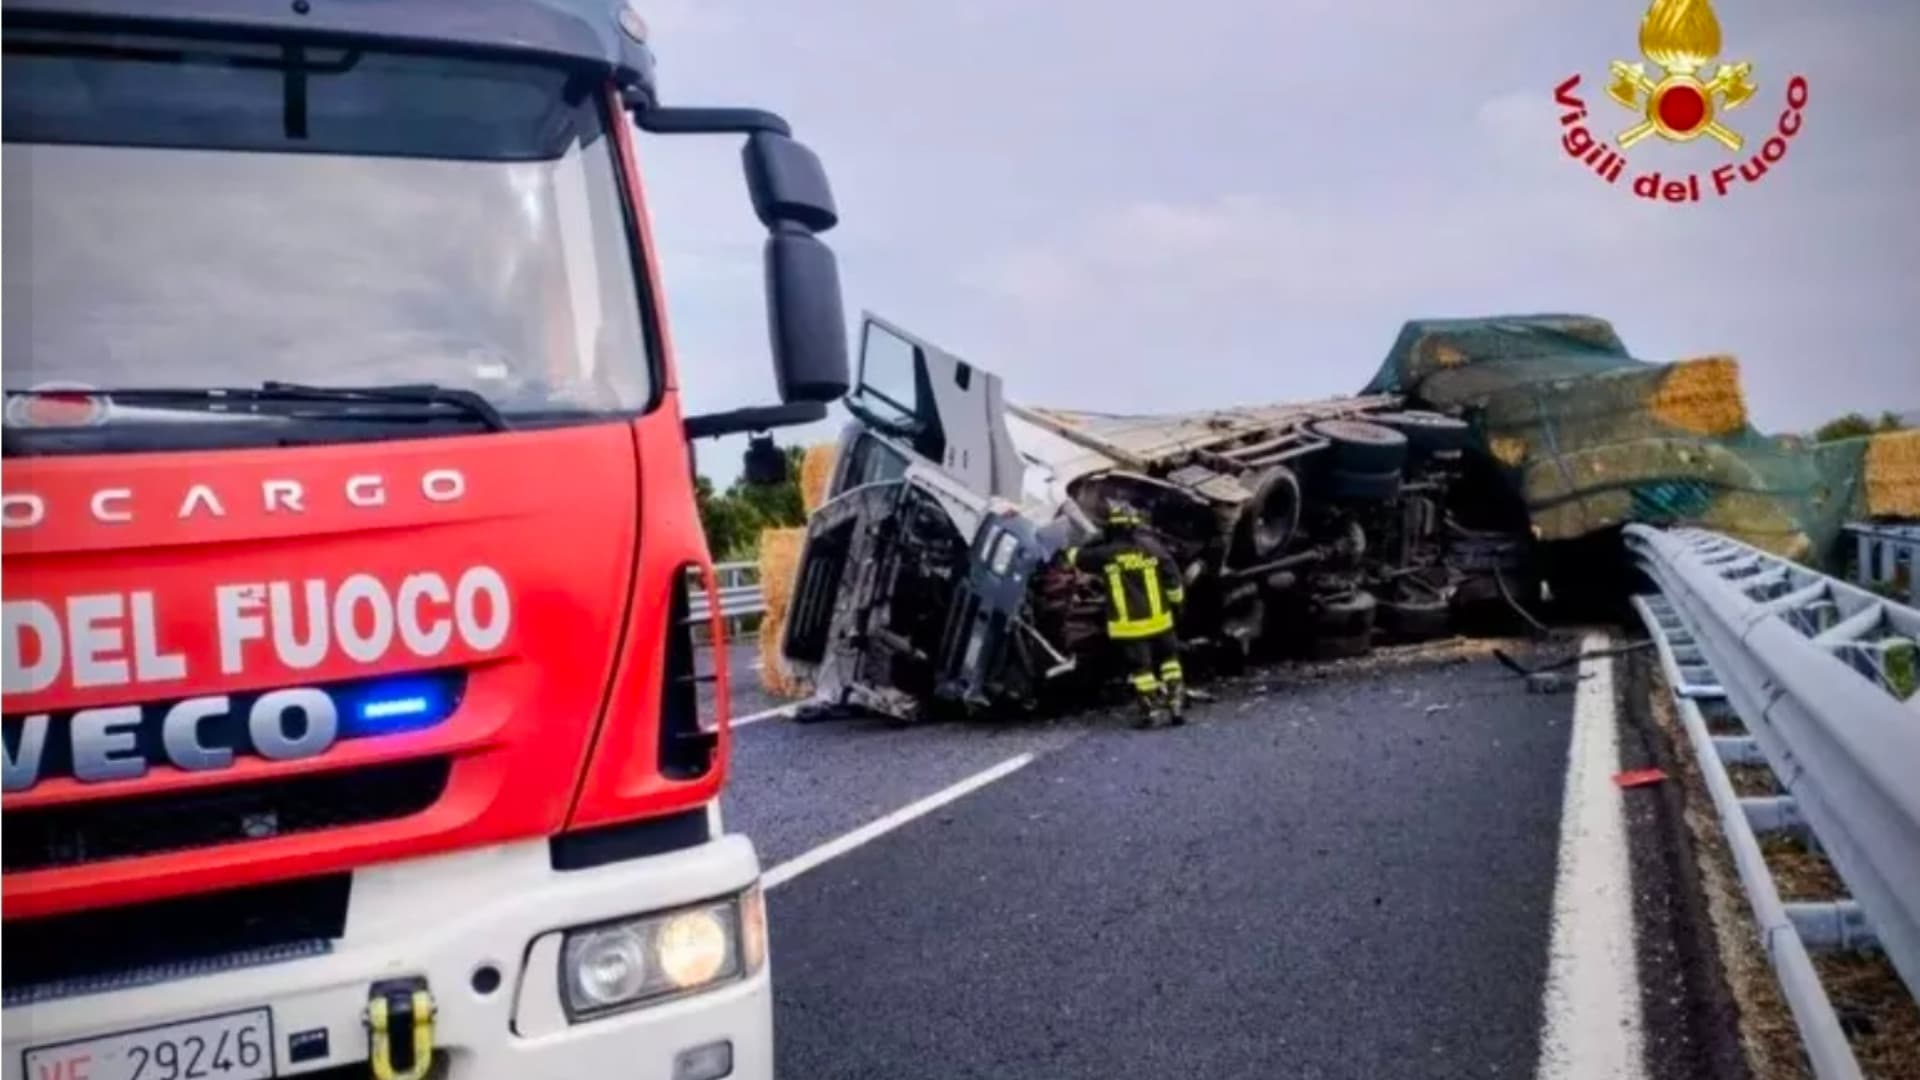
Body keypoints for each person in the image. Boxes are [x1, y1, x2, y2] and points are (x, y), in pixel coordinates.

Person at [1066, 502, 1188, 728]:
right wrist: (1177, 605)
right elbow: (1173, 577)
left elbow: (1074, 557)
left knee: (1142, 670)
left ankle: (1151, 711)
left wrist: (1093, 539)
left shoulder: (1106, 554)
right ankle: (1176, 701)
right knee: (1170, 661)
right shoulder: (1153, 548)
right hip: (1161, 620)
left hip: (1129, 626)